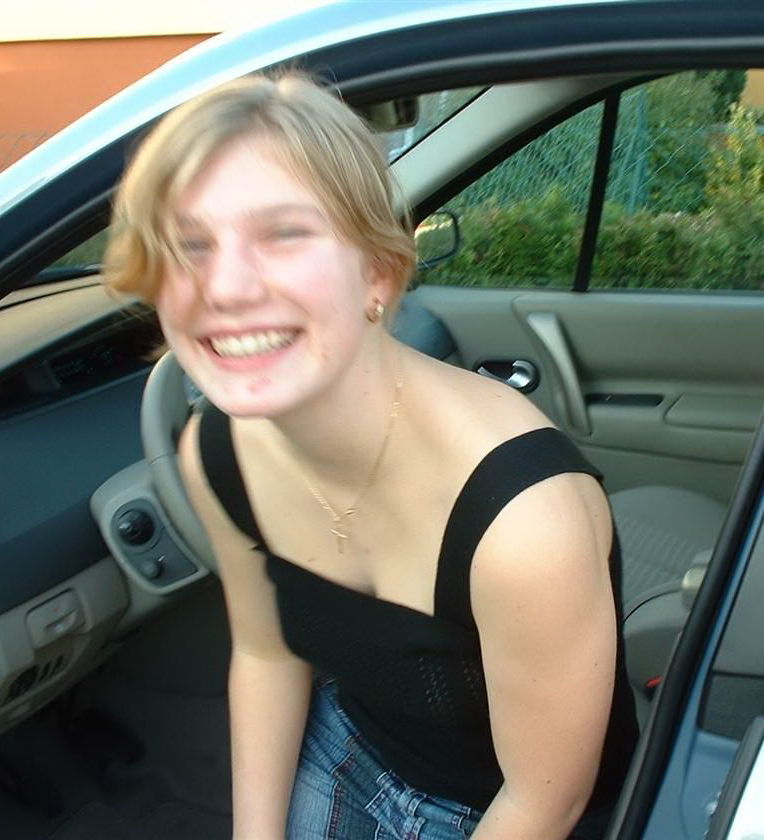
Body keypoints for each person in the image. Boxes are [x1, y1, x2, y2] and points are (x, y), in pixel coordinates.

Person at [104, 72, 637, 839]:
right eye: (188, 245)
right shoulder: (215, 453)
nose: (223, 287)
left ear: (378, 272)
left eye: (283, 234)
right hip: (349, 745)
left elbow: (542, 801)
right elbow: (266, 654)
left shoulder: (524, 521)